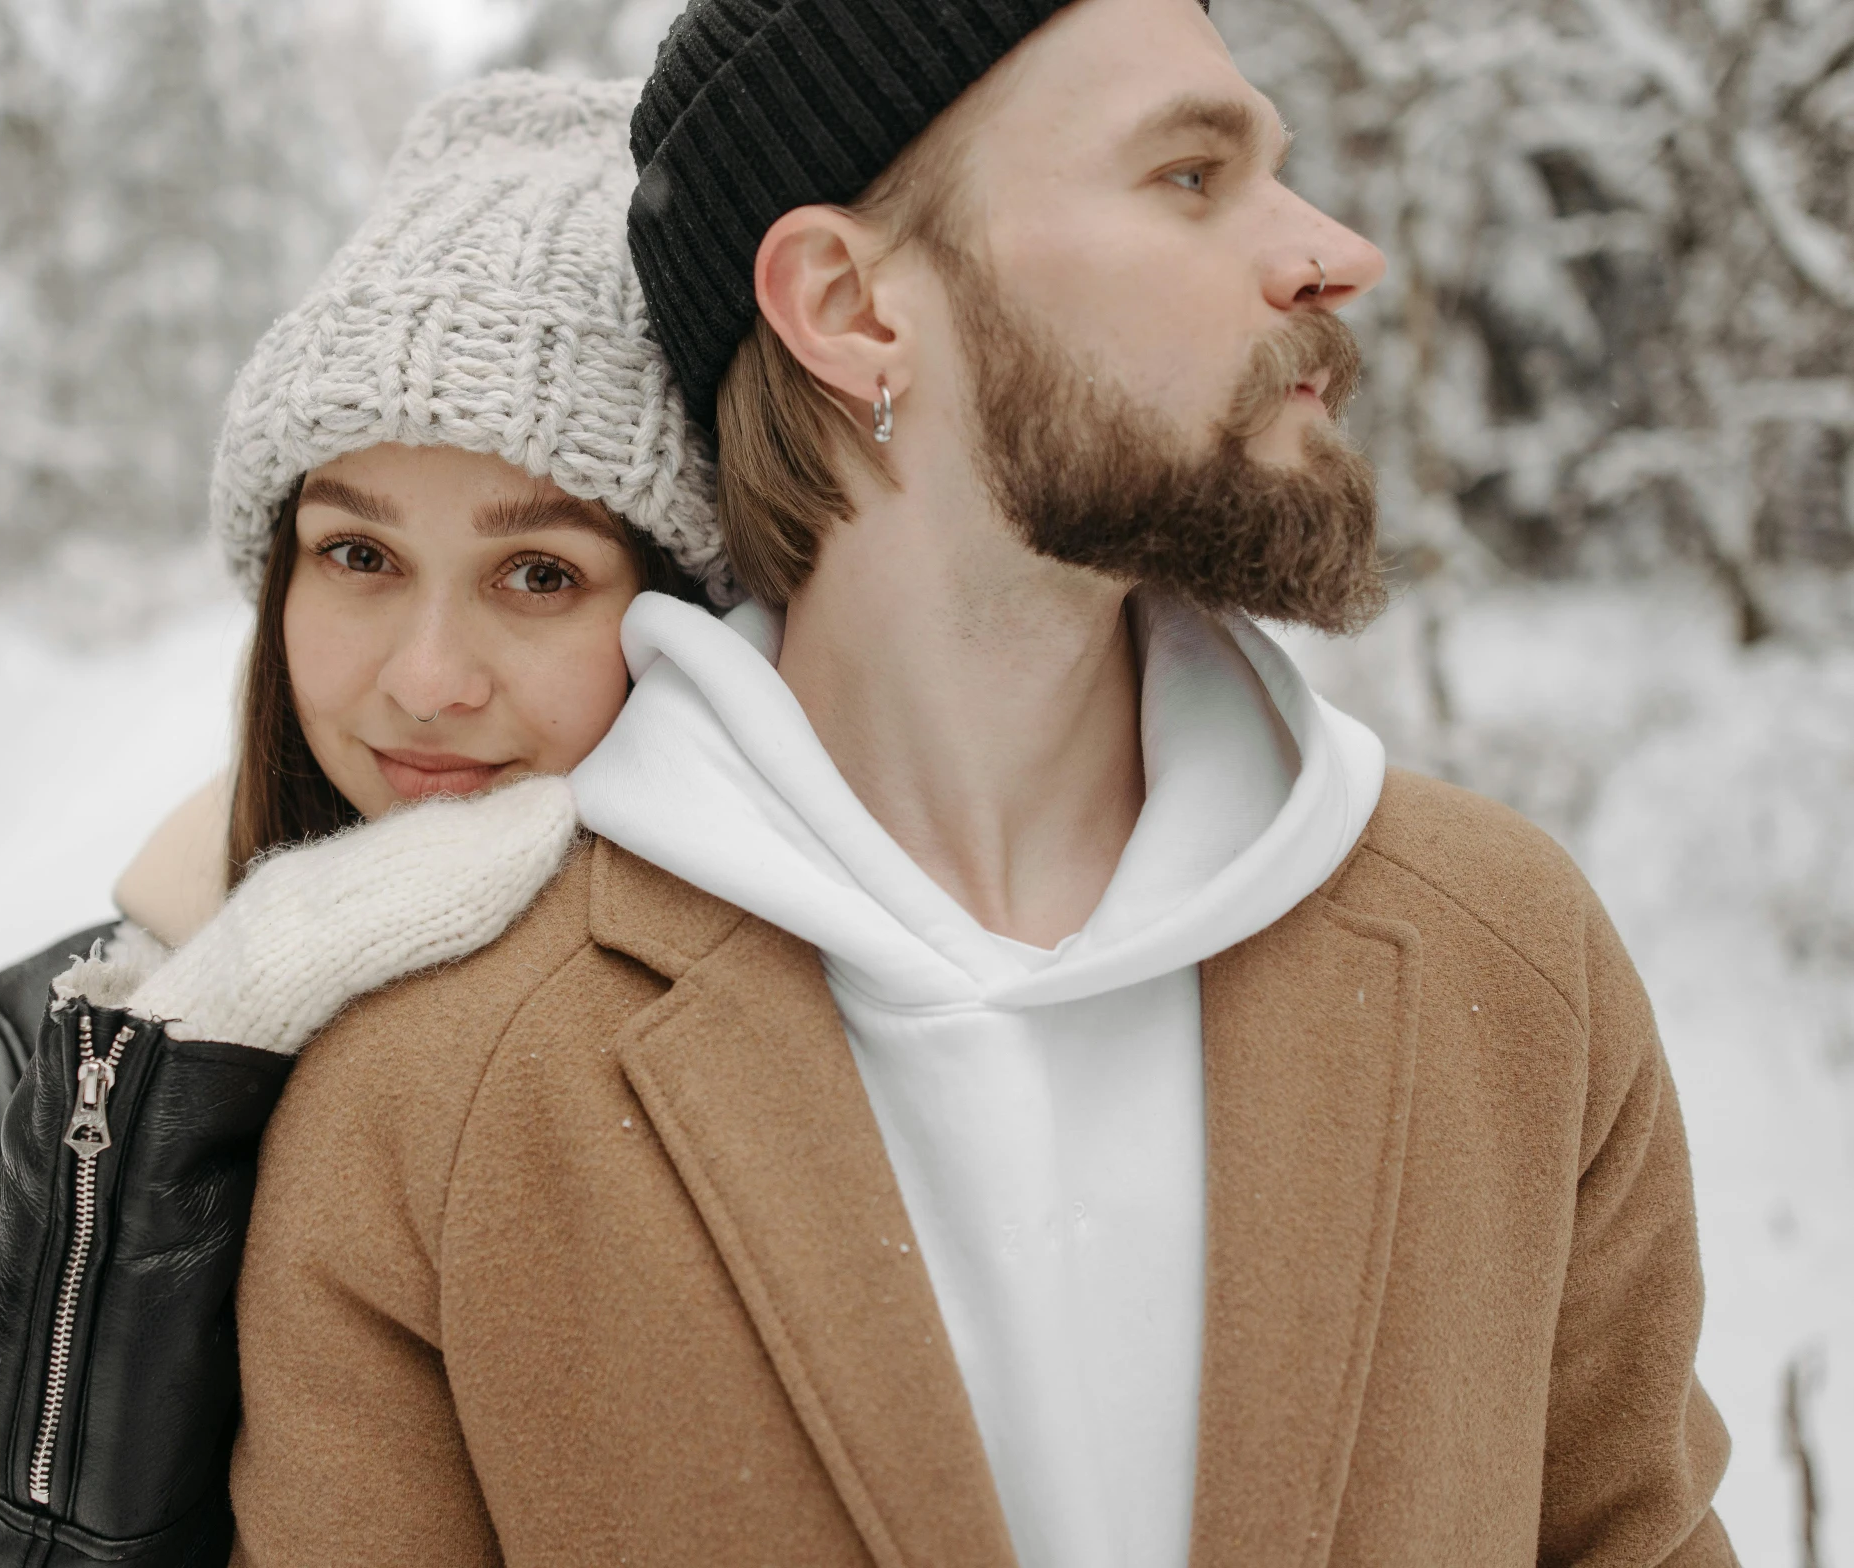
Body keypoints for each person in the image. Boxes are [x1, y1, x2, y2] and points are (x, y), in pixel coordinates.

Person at [224, 1, 1736, 1564]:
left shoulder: (1510, 962)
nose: (1333, 252)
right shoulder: (434, 1099)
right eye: (1191, 178)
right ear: (850, 305)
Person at [0, 71, 720, 1567]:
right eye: (358, 551)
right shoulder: (35, 1065)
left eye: (540, 574)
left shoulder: (778, 1038)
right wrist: (174, 1084)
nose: (425, 679)